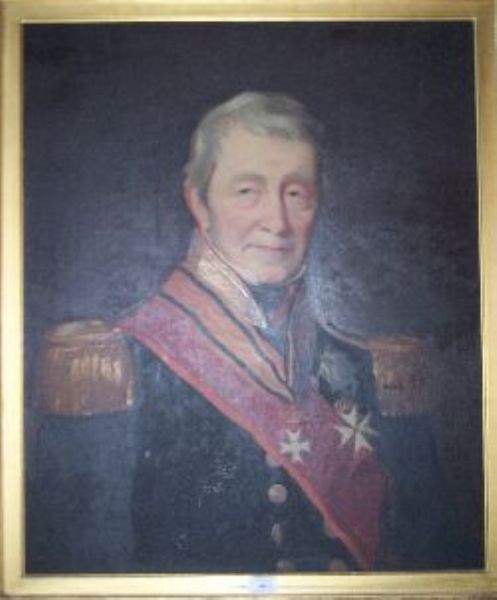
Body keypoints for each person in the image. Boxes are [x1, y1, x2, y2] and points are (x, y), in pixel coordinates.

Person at [27, 92, 456, 574]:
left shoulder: (376, 372)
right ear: (199, 201)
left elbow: (432, 563)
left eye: (296, 194)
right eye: (248, 191)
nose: (277, 222)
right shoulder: (113, 370)